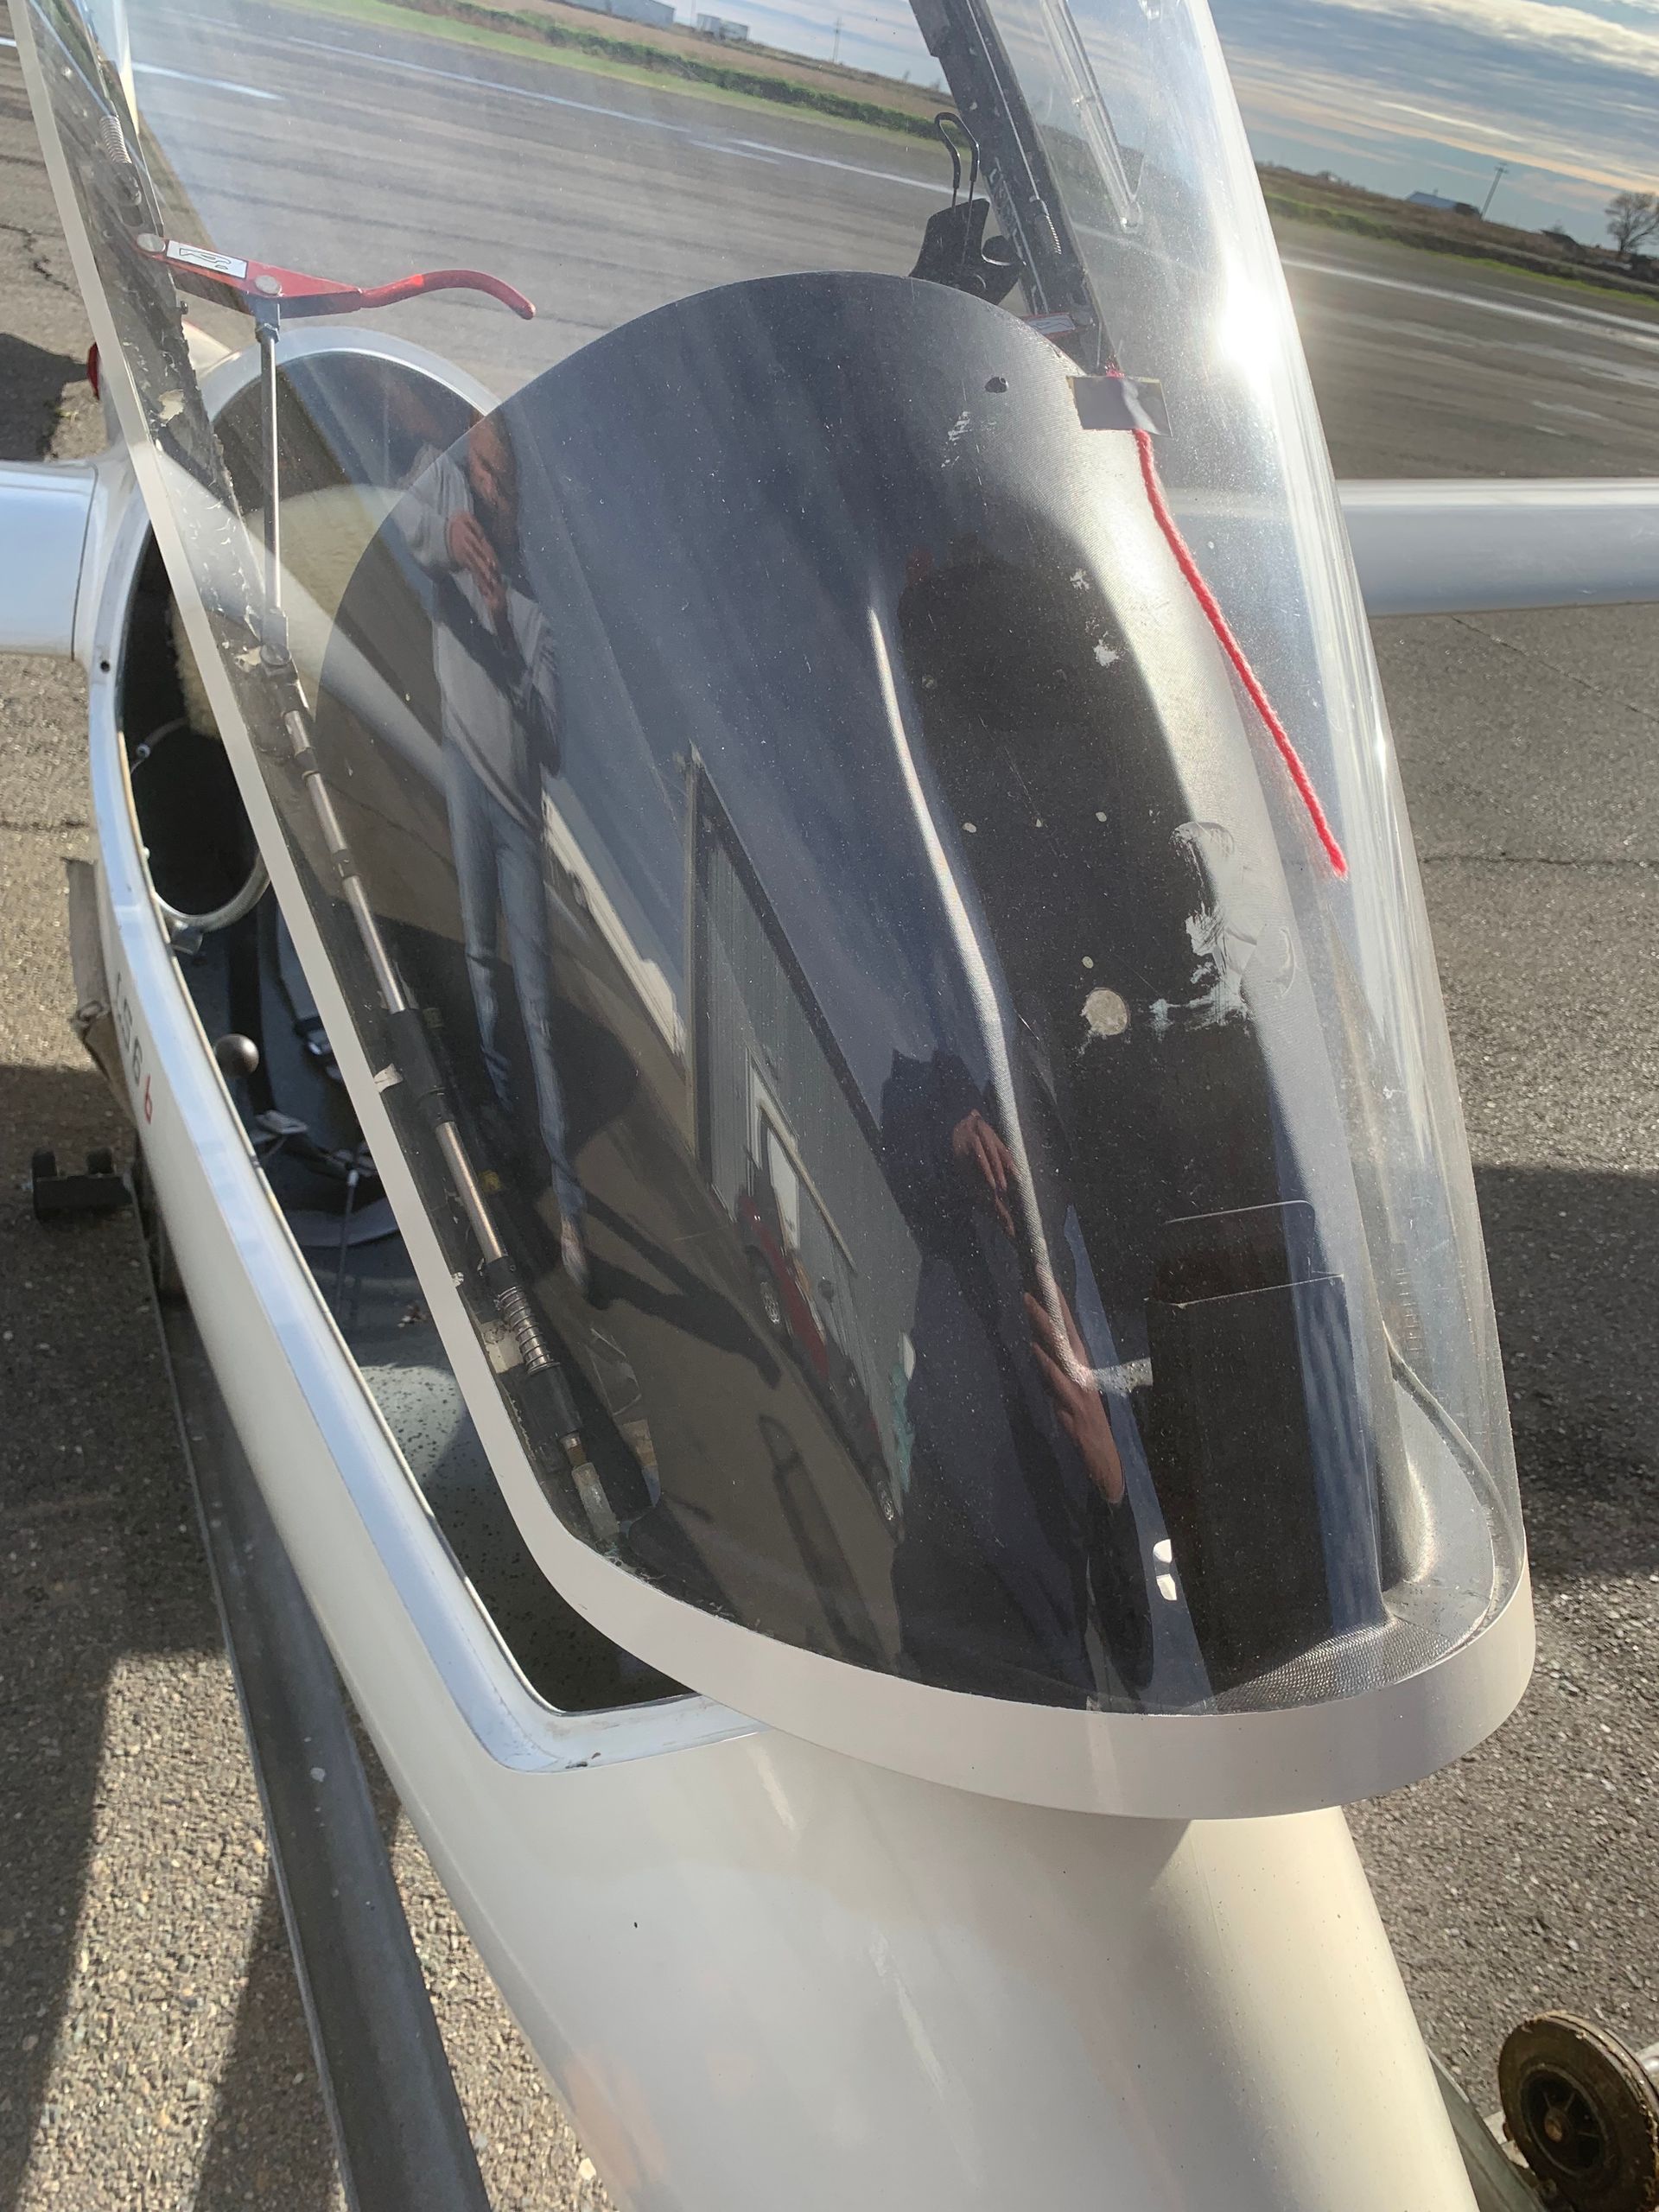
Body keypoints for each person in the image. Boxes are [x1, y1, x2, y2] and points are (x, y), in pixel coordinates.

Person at [402, 414, 590, 1294]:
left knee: (538, 1006)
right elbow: (405, 524)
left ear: (519, 503)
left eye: (497, 481)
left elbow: (553, 744)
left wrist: (511, 646)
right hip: (462, 781)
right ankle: (513, 1131)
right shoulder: (445, 510)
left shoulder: (538, 615)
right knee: (481, 965)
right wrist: (447, 538)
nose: (482, 489)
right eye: (475, 469)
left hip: (519, 819)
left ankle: (574, 1203)